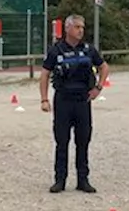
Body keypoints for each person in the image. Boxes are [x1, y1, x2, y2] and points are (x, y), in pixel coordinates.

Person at [39, 14, 109, 194]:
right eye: (77, 27)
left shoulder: (88, 50)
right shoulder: (56, 50)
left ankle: (83, 179)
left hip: (82, 102)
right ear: (68, 29)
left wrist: (98, 88)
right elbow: (45, 74)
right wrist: (44, 99)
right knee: (62, 141)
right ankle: (60, 180)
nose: (81, 31)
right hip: (63, 101)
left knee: (83, 141)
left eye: (82, 27)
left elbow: (104, 67)